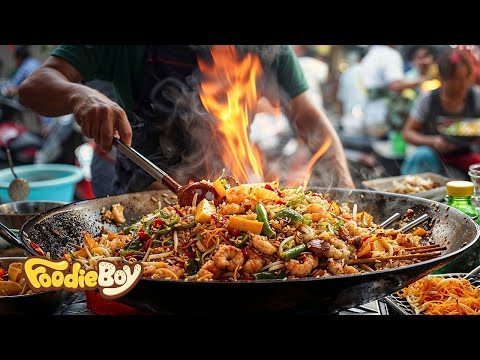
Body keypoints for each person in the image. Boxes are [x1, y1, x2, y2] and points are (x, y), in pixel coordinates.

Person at [18, 45, 355, 195]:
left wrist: (346, 192)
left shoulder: (266, 48)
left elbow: (311, 121)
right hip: (143, 201)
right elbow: (33, 87)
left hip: (234, 196)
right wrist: (82, 96)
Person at [401, 47, 480, 177]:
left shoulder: (476, 96)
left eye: (465, 78)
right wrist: (433, 141)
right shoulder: (428, 99)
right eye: (456, 79)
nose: (462, 84)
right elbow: (407, 133)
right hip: (435, 159)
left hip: (467, 156)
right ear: (443, 78)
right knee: (422, 155)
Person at [360, 45, 432, 138]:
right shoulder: (390, 55)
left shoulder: (370, 56)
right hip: (385, 120)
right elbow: (395, 85)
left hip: (370, 117)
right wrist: (423, 80)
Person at [336, 47, 368, 135]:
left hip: (348, 119)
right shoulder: (370, 72)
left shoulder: (347, 73)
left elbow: (340, 99)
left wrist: (340, 117)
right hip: (367, 119)